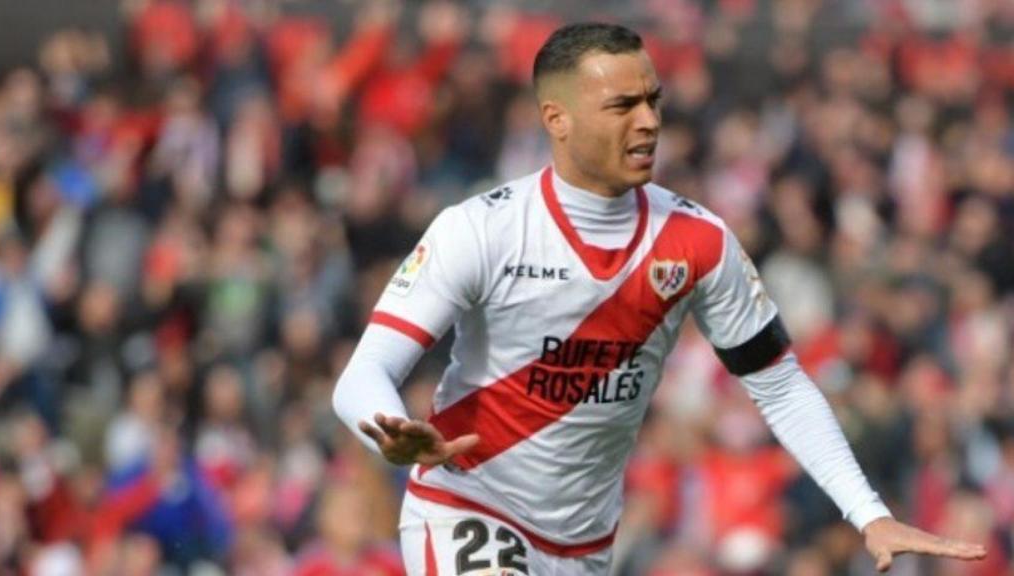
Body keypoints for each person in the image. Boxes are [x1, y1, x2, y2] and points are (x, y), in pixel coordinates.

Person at [332, 22, 987, 575]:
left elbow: (780, 386)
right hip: (468, 509)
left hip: (586, 545)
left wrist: (868, 514)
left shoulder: (699, 241)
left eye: (653, 100)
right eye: (622, 106)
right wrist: (387, 430)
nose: (648, 122)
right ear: (557, 119)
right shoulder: (480, 229)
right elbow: (364, 374)